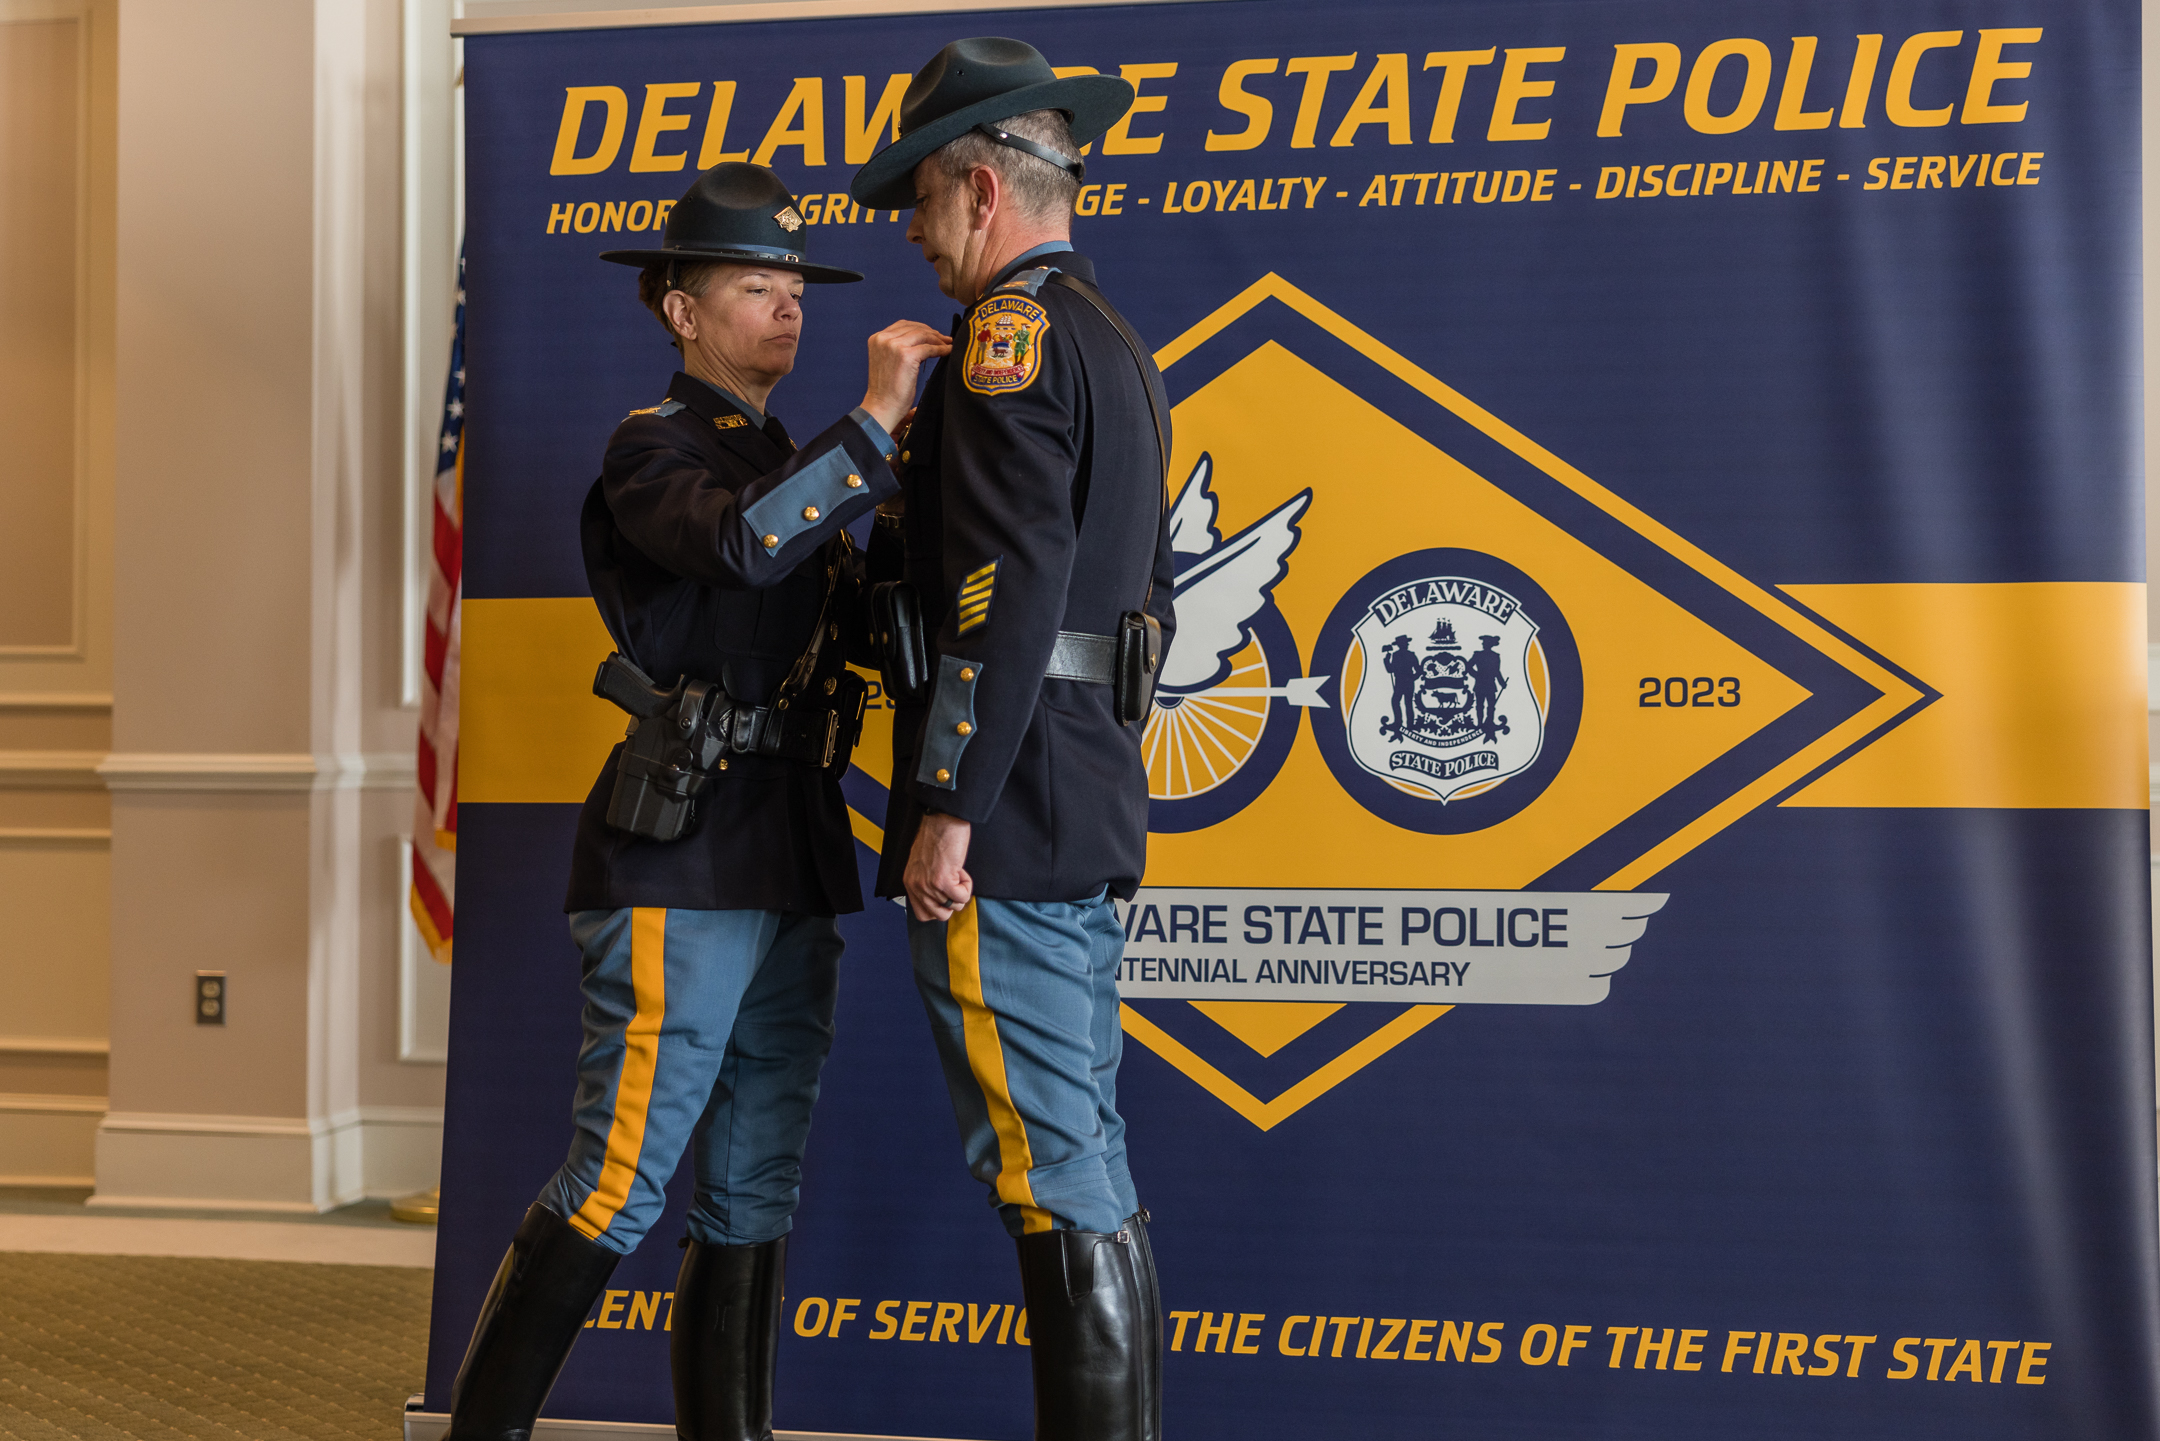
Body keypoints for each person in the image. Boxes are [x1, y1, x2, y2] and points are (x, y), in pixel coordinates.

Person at [443, 162, 950, 1441]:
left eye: (795, 287)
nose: (788, 305)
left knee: (754, 1185)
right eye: (755, 285)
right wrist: (873, 426)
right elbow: (740, 545)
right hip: (683, 846)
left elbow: (854, 615)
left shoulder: (794, 456)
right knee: (619, 1176)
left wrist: (915, 483)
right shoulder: (653, 447)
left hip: (791, 845)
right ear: (681, 309)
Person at [848, 37, 1176, 1441]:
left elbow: (1008, 587)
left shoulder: (1007, 341)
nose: (912, 237)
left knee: (1050, 1172)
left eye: (921, 202)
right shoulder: (1110, 338)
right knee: (1084, 1157)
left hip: (1012, 815)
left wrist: (948, 803)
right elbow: (1142, 596)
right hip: (1080, 793)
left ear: (979, 190)